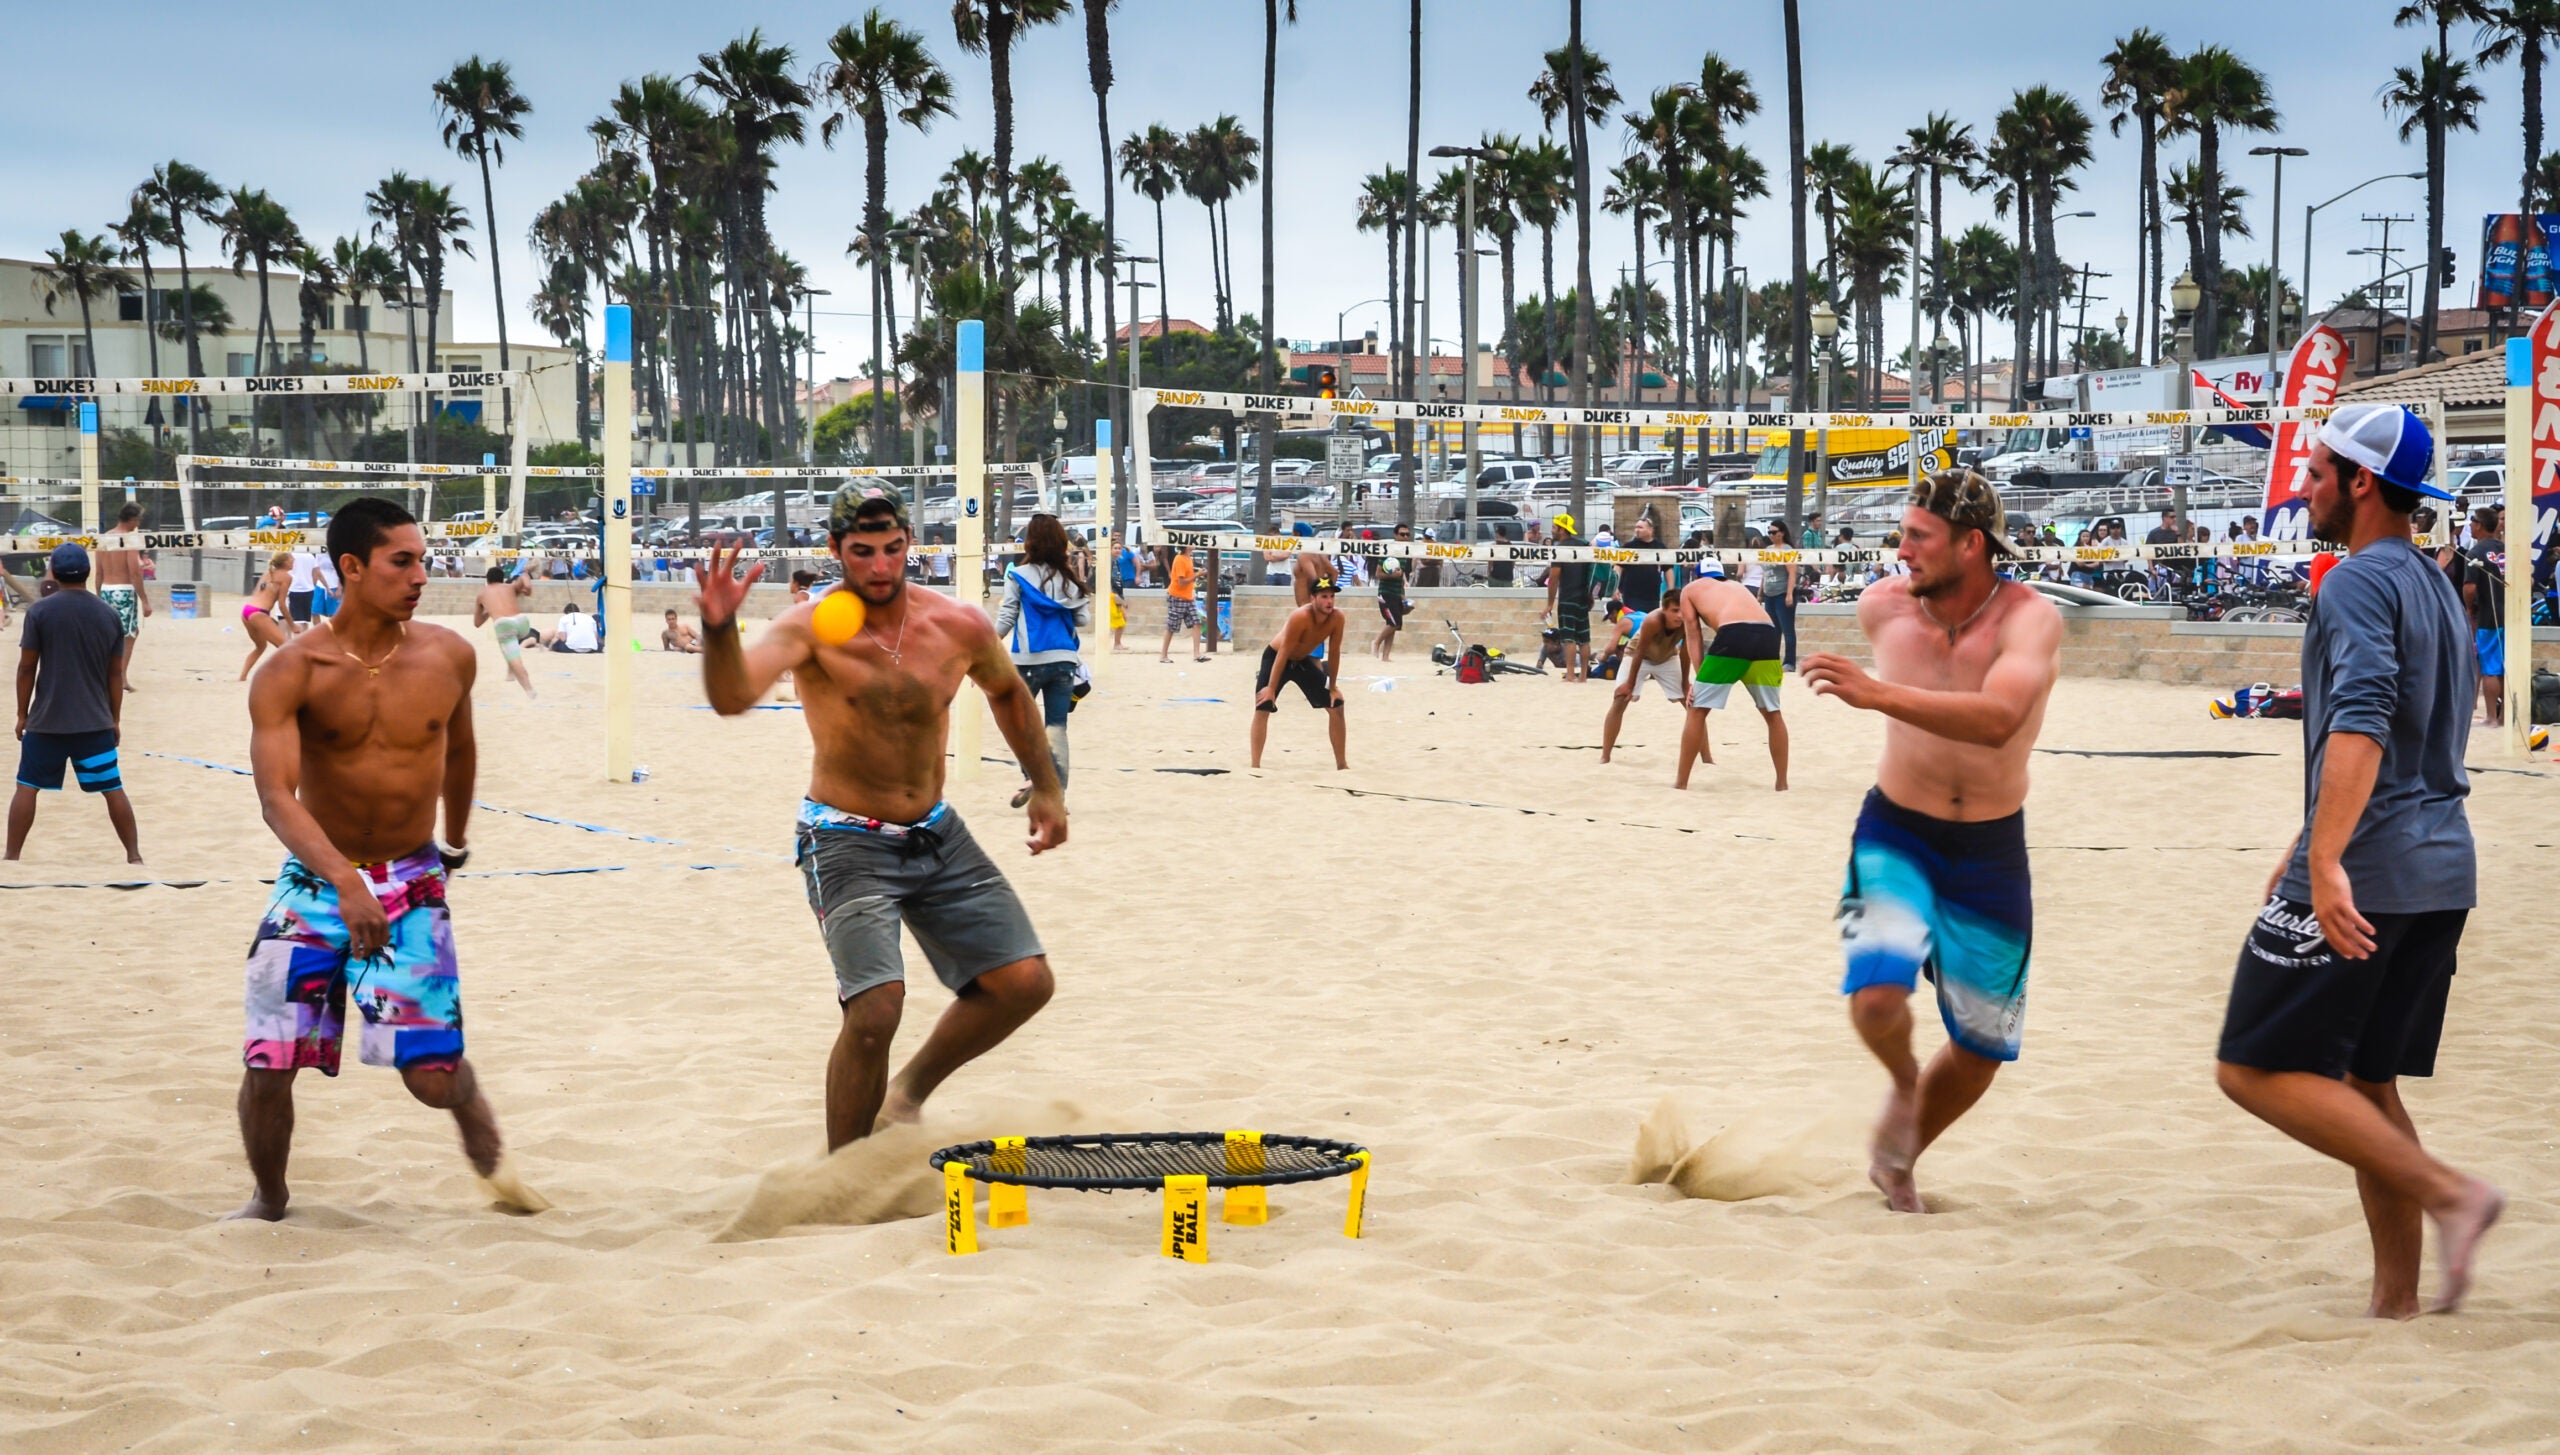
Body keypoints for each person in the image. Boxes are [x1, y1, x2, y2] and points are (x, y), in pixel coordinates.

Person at [2210, 403, 2504, 1317]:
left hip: (2368, 868)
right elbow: (2425, 732)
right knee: (2366, 1083)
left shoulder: (2353, 583)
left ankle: (2454, 1193)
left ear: (2361, 482)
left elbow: (2365, 721)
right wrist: (2305, 841)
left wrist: (2326, 859)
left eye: (2315, 472)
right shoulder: (2433, 582)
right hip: (2441, 870)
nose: (2303, 488)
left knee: (2250, 1067)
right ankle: (2398, 1299)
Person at [695, 490, 1065, 1151]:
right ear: (835, 552)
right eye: (862, 552)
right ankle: (845, 1172)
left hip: (934, 831)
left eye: (893, 549)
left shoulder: (958, 625)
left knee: (1025, 982)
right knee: (875, 1010)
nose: (880, 566)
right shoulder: (807, 628)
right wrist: (720, 632)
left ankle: (909, 1092)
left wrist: (1047, 786)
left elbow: (1007, 690)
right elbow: (731, 697)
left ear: (909, 545)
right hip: (842, 835)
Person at [229, 497, 541, 1221]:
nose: (419, 575)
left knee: (431, 1078)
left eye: (422, 560)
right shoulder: (293, 670)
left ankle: (499, 1172)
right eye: (402, 561)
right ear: (351, 567)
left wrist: (454, 842)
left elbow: (460, 753)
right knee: (270, 1060)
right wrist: (342, 879)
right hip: (316, 879)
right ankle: (269, 1199)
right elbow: (277, 797)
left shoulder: (449, 654)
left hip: (409, 878)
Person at [1800, 469, 2062, 1214]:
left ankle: (1902, 1154)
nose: (1901, 549)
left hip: (1990, 849)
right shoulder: (1882, 607)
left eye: (1919, 536)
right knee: (1876, 999)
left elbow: (2000, 716)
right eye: (1903, 532)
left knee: (1982, 1051)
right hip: (1895, 830)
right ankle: (1906, 1081)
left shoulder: (2030, 619)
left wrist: (1877, 693)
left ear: (1971, 544)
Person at [9, 543, 140, 863]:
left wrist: (21, 714)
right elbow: (114, 675)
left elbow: (27, 667)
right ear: (88, 572)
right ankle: (134, 857)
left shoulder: (40, 612)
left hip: (47, 721)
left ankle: (11, 858)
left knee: (27, 786)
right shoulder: (108, 614)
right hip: (94, 721)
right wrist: (115, 719)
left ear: (53, 572)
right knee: (113, 788)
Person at [992, 513, 1092, 808]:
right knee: (1057, 727)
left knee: (1021, 725)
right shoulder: (1070, 579)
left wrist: (984, 648)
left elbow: (1007, 617)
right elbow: (1083, 619)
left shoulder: (1018, 577)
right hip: (1063, 660)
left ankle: (1031, 776)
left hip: (1027, 660)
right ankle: (1057, 796)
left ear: (1030, 542)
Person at [1674, 566, 1790, 792]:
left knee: (1697, 709)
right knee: (1773, 713)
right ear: (1720, 575)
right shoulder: (1737, 586)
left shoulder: (1691, 589)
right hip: (1768, 635)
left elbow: (1693, 634)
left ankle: (1681, 783)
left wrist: (1699, 680)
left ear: (1699, 575)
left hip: (1734, 633)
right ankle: (1782, 784)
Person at [1251, 575, 1348, 769]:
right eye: (1323, 596)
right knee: (1263, 705)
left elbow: (1335, 652)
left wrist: (1333, 686)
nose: (1329, 601)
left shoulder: (1337, 618)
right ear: (1313, 599)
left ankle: (1342, 765)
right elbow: (1284, 652)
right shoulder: (1300, 616)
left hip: (1302, 660)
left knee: (1336, 705)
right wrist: (1270, 688)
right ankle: (1255, 766)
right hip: (1277, 656)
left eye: (1331, 596)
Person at [1599, 593, 1691, 765]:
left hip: (1667, 657)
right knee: (1620, 698)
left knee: (1692, 703)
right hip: (1637, 655)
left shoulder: (1688, 619)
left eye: (1682, 610)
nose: (1679, 615)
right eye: (1674, 611)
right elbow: (1639, 651)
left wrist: (1686, 683)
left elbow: (1686, 652)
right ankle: (1605, 756)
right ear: (1664, 610)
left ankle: (1706, 757)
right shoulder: (1651, 620)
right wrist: (1630, 685)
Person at [94, 502, 152, 691]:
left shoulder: (105, 538)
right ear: (132, 519)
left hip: (106, 590)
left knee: (108, 636)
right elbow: (134, 573)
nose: (140, 522)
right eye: (139, 518)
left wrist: (98, 596)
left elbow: (99, 573)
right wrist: (145, 600)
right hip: (124, 591)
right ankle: (120, 677)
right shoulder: (128, 540)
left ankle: (105, 675)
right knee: (129, 635)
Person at [2460, 505, 2506, 727]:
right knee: (2508, 667)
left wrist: (2469, 608)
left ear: (2479, 525)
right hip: (2511, 614)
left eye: (2473, 521)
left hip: (2489, 615)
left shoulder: (2475, 553)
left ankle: (2491, 717)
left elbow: (2469, 587)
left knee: (2490, 667)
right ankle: (2506, 715)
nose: (2470, 525)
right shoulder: (2506, 548)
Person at [472, 567, 539, 696]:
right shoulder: (510, 587)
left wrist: (488, 610)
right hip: (522, 623)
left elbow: (477, 623)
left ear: (487, 580)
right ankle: (510, 672)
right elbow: (525, 576)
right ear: (502, 579)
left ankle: (529, 689)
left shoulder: (482, 595)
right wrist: (528, 588)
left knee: (514, 657)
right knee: (511, 645)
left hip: (504, 625)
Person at [1544, 513, 1595, 682]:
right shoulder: (1584, 546)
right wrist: (1591, 595)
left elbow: (1553, 579)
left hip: (1567, 598)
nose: (1552, 530)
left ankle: (1571, 674)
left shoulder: (1560, 549)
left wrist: (1550, 604)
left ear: (1562, 529)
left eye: (1554, 527)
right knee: (1584, 639)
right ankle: (1584, 676)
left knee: (1569, 639)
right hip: (1583, 598)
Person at [239, 551, 295, 681]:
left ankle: (242, 677)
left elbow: (257, 593)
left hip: (247, 610)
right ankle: (284, 676)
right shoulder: (286, 577)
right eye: (291, 559)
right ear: (285, 562)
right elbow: (282, 605)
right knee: (286, 646)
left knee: (260, 647)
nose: (294, 561)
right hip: (259, 613)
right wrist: (292, 625)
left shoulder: (267, 573)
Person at [1373, 524, 1413, 660]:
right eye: (1402, 534)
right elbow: (1378, 574)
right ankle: (1376, 642)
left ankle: (1385, 656)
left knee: (1394, 625)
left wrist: (1403, 597)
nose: (1405, 537)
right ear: (1395, 535)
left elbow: (1401, 577)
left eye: (1407, 534)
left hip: (1396, 593)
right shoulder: (1388, 551)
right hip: (1386, 592)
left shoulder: (1404, 554)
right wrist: (1392, 576)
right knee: (1394, 622)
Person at [1160, 544, 1204, 663]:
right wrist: (1197, 575)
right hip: (1177, 596)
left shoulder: (1189, 559)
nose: (1194, 544)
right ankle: (1163, 655)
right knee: (1172, 625)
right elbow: (1181, 582)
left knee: (1197, 622)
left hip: (1188, 596)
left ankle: (1197, 654)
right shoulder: (1179, 559)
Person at [286, 546, 321, 634]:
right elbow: (316, 573)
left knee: (297, 620)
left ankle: (298, 642)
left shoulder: (290, 556)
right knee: (305, 620)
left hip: (294, 589)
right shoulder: (310, 556)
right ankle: (305, 641)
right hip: (309, 590)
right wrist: (312, 584)